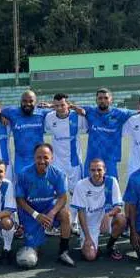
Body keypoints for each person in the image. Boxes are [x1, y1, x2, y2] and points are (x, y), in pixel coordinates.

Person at [15, 143, 75, 267]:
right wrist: (36, 215)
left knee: (65, 215)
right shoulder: (24, 174)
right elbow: (20, 199)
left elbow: (63, 198)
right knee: (30, 260)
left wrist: (52, 213)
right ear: (34, 157)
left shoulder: (58, 174)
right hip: (30, 213)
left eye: (46, 157)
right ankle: (35, 244)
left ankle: (63, 251)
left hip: (49, 210)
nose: (42, 161)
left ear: (51, 158)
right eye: (39, 157)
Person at [44, 93, 87, 235]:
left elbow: (88, 120)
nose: (60, 108)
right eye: (56, 105)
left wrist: (80, 109)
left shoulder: (77, 116)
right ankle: (56, 223)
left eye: (62, 105)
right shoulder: (50, 117)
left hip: (74, 162)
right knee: (57, 193)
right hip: (57, 163)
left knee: (75, 193)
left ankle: (74, 222)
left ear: (68, 104)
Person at [71, 159, 126, 261]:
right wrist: (87, 237)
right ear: (89, 171)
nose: (96, 173)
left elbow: (118, 207)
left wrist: (108, 215)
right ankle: (90, 244)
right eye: (93, 170)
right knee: (90, 256)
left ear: (105, 170)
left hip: (106, 219)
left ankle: (110, 246)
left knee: (121, 219)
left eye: (99, 170)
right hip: (89, 225)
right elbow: (81, 213)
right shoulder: (81, 185)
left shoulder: (112, 181)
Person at [81, 88, 137, 179]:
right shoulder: (89, 111)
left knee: (111, 189)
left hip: (110, 160)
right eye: (100, 98)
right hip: (92, 159)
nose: (103, 100)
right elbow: (69, 108)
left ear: (111, 100)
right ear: (96, 100)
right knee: (88, 188)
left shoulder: (120, 113)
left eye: (106, 98)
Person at [0, 90, 50, 176]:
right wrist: (1, 116)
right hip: (21, 160)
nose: (28, 104)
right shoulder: (12, 112)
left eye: (31, 101)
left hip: (38, 159)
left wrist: (51, 105)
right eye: (25, 101)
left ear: (36, 102)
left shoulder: (42, 113)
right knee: (21, 186)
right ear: (20, 101)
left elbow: (62, 109)